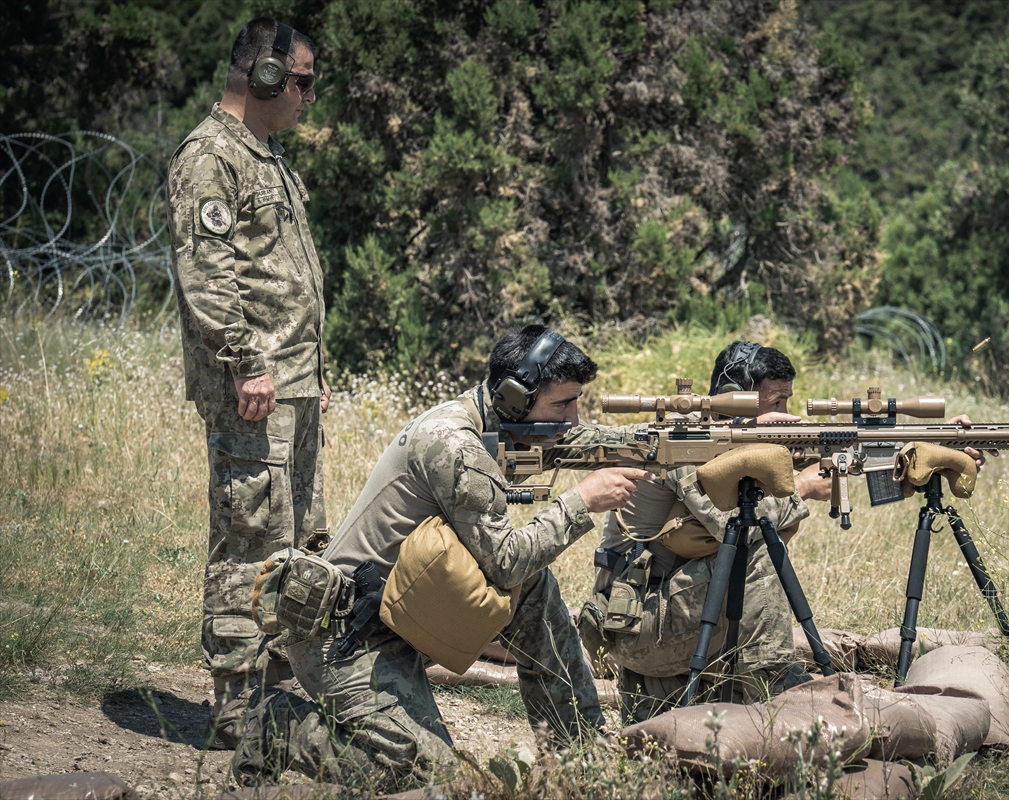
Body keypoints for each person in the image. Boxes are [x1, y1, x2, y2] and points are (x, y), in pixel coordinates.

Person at [231, 325, 655, 791]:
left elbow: (582, 439)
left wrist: (666, 441)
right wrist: (582, 501)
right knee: (425, 777)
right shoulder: (455, 445)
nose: (573, 419)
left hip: (404, 611)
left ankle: (579, 759)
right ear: (515, 398)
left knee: (534, 588)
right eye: (563, 405)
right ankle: (278, 725)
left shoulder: (493, 418)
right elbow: (505, 562)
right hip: (346, 637)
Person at [588, 341, 989, 722]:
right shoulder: (687, 440)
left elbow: (845, 456)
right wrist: (803, 486)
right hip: (637, 629)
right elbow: (733, 523)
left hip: (672, 624)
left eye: (788, 401)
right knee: (752, 547)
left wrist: (932, 445)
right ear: (734, 401)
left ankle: (762, 682)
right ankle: (774, 682)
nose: (788, 415)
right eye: (776, 403)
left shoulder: (743, 441)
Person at [166, 17, 329, 748]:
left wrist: (312, 372)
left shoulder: (267, 156)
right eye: (301, 82)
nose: (307, 97)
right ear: (264, 75)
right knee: (248, 544)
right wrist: (247, 364)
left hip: (292, 386)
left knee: (297, 544)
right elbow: (208, 274)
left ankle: (276, 693)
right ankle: (236, 712)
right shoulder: (210, 157)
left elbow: (285, 276)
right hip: (254, 390)